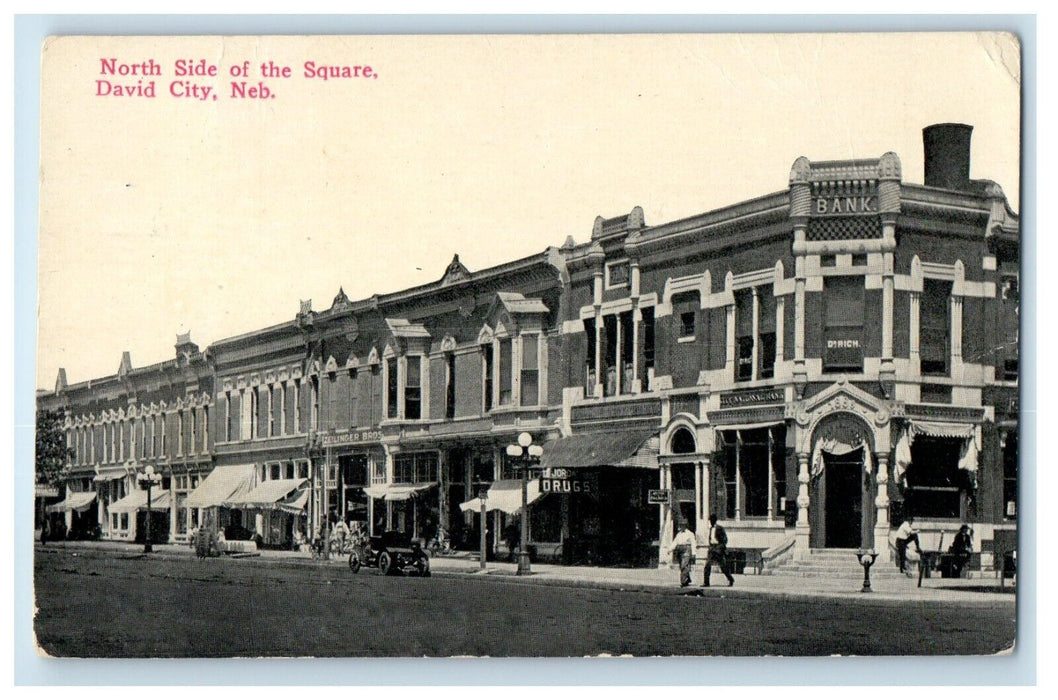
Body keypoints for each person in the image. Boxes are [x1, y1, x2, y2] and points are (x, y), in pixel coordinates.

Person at [704, 514, 735, 587]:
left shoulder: (720, 528)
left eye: (712, 520)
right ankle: (706, 582)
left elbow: (725, 540)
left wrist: (720, 548)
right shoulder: (710, 528)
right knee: (707, 565)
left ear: (715, 520)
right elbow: (710, 539)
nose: (711, 522)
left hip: (718, 549)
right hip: (712, 548)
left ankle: (730, 579)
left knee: (723, 566)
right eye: (710, 520)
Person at [668, 522, 697, 587]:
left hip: (687, 549)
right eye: (680, 525)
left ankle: (683, 581)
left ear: (685, 526)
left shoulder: (690, 534)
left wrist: (694, 553)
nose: (681, 527)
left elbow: (693, 543)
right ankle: (688, 579)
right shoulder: (679, 534)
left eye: (682, 525)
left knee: (684, 565)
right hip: (679, 550)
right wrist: (670, 549)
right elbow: (675, 542)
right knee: (682, 566)